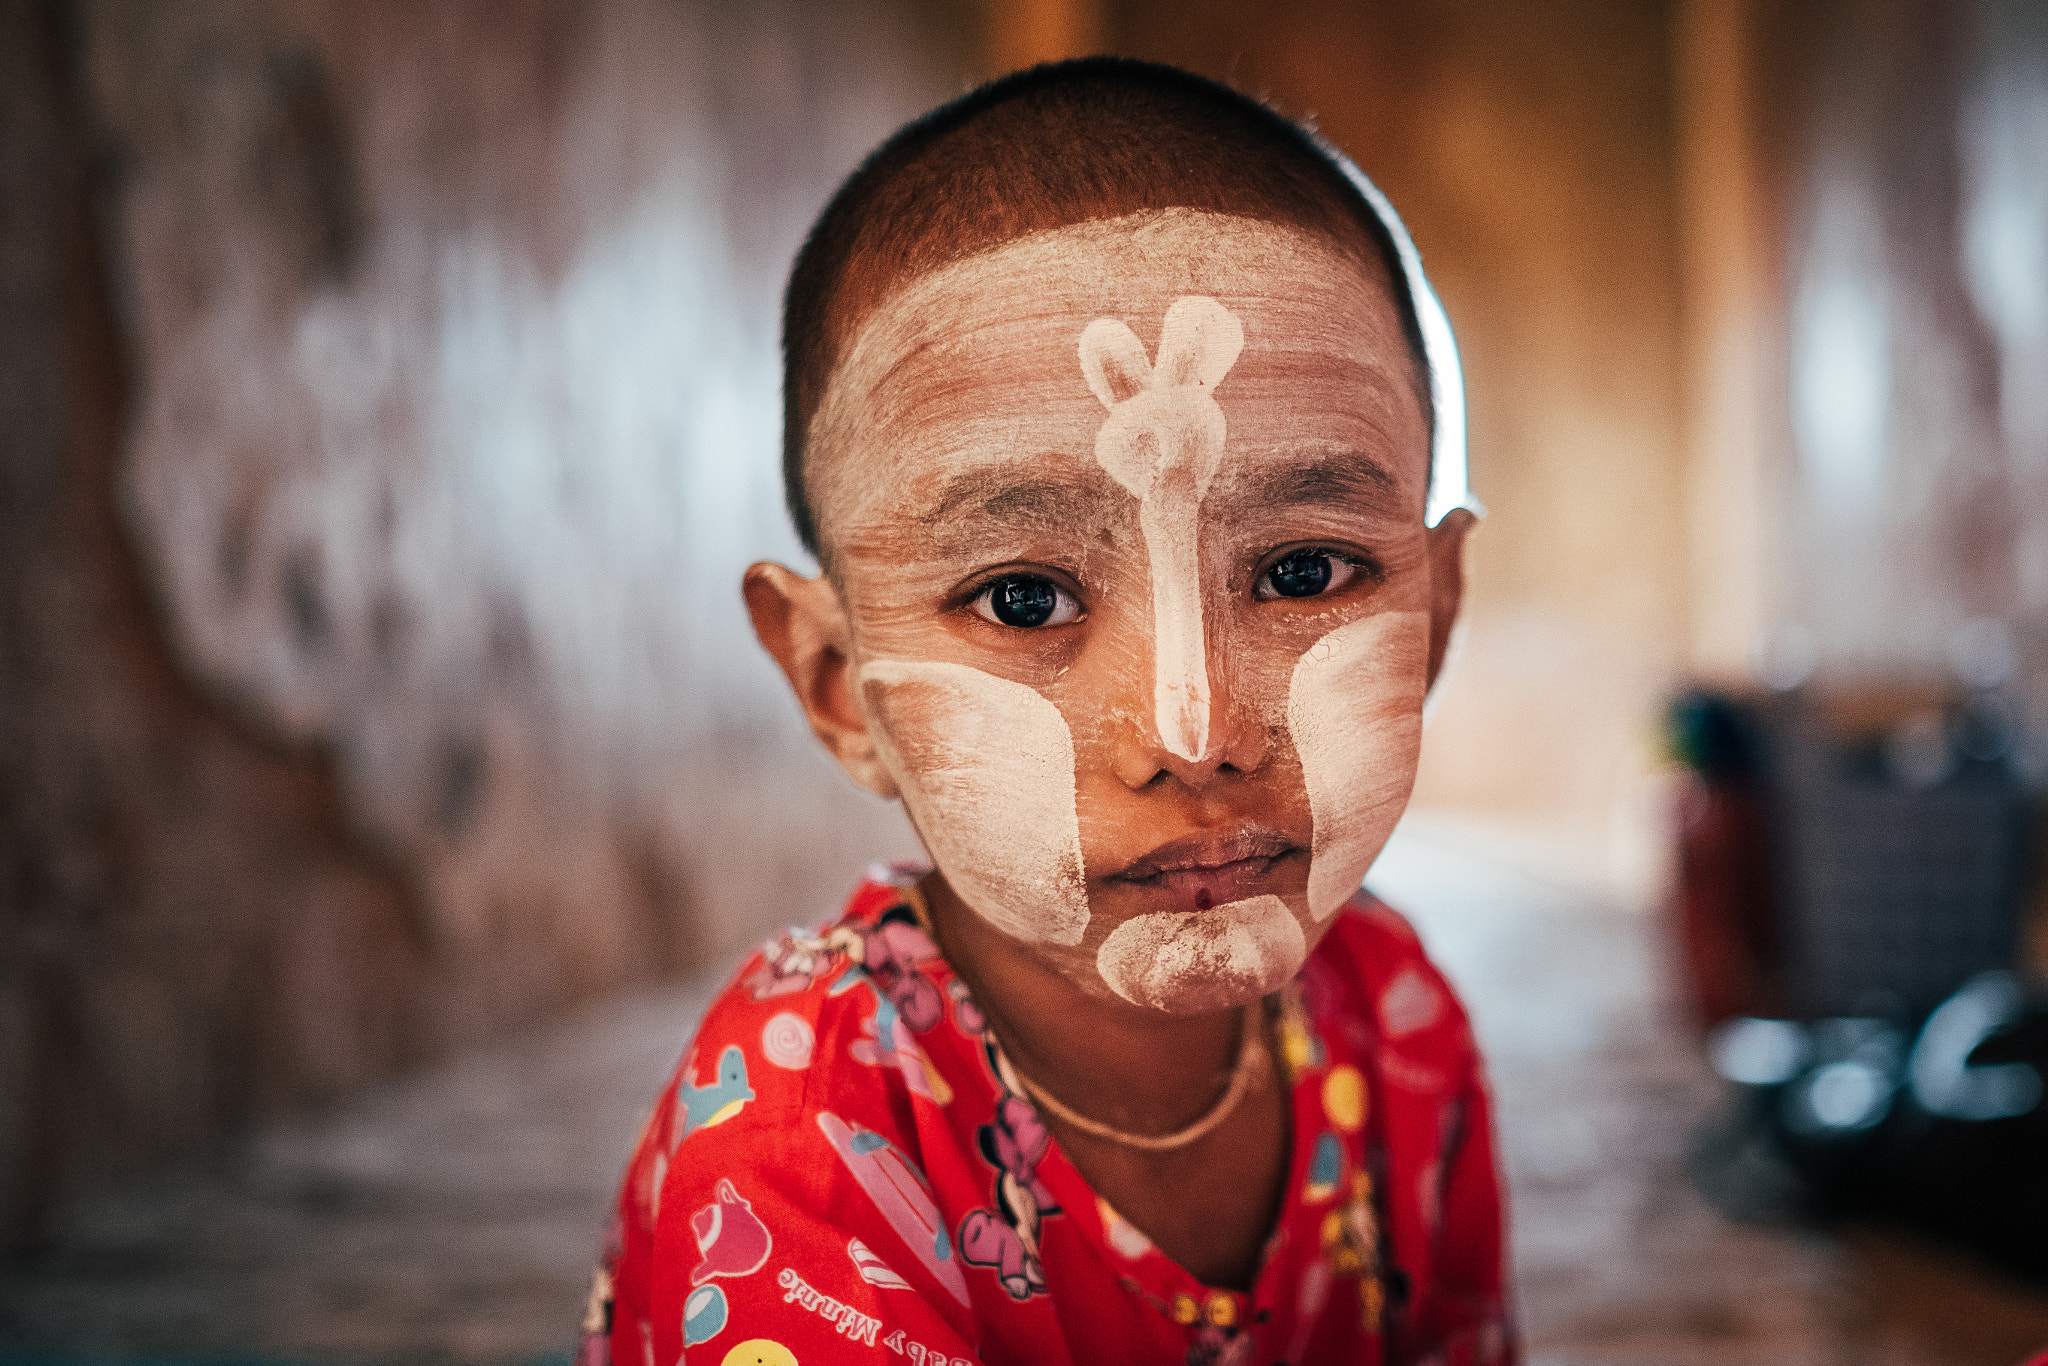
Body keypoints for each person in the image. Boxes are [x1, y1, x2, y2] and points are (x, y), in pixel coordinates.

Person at [583, 58, 1512, 1366]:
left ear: (1438, 610)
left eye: (1304, 572)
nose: (1194, 736)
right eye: (1025, 598)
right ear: (837, 687)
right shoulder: (802, 1132)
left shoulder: (1395, 1010)